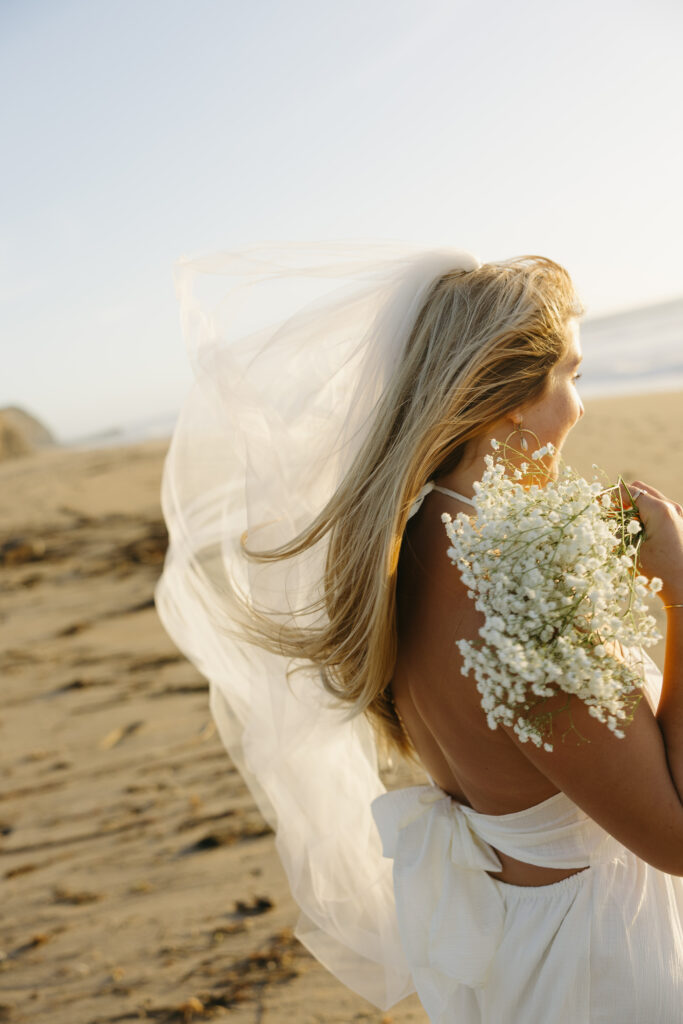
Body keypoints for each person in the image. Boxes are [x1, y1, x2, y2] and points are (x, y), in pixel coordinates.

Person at [155, 243, 683, 1023]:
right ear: (510, 396)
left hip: (513, 951)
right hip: (598, 964)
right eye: (571, 374)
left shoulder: (406, 549)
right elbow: (673, 840)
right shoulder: (511, 588)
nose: (579, 404)